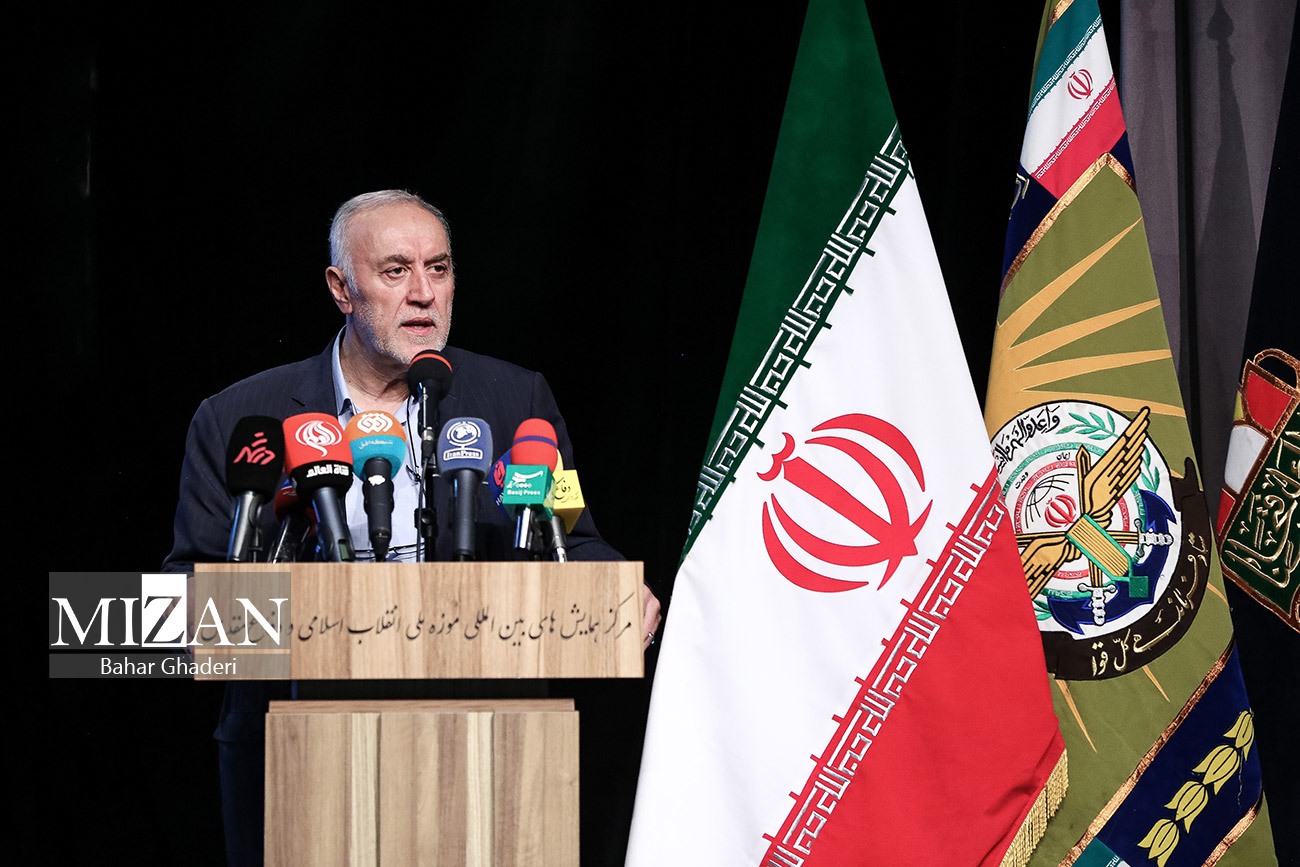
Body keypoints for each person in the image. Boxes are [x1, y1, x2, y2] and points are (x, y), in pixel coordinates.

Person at [162, 188, 662, 866]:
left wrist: (615, 586)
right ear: (342, 288)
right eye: (396, 270)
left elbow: (570, 538)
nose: (424, 293)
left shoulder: (516, 399)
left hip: (489, 742)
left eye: (439, 268)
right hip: (296, 746)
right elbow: (188, 591)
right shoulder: (242, 416)